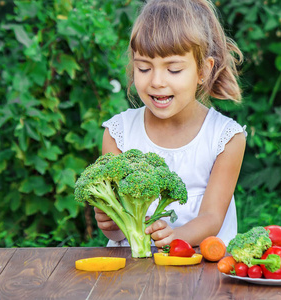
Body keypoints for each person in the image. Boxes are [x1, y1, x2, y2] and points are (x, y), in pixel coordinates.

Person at [95, 0, 247, 249]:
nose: (156, 81)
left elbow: (212, 218)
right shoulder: (118, 133)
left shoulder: (226, 138)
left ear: (203, 71)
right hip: (133, 269)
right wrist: (110, 223)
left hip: (200, 268)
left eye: (173, 69)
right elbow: (118, 233)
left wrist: (176, 238)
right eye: (144, 68)